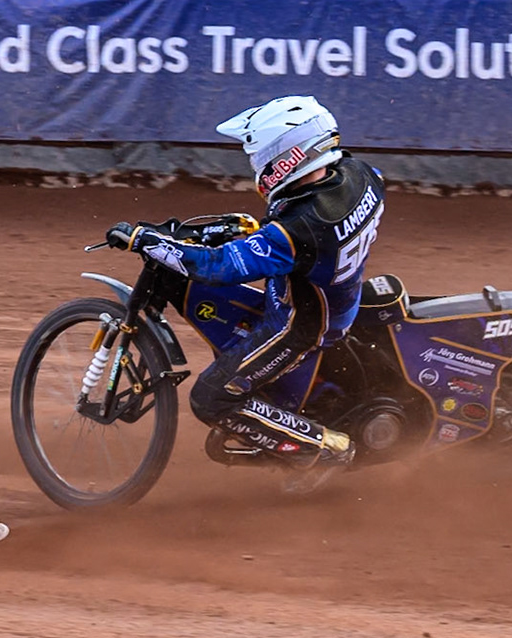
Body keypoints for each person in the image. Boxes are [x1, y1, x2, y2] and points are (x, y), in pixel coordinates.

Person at [108, 95, 385, 478]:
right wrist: (261, 232)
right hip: (332, 295)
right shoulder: (361, 175)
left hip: (296, 326)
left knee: (210, 399)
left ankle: (325, 448)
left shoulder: (300, 229)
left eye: (256, 154)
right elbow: (305, 227)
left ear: (283, 157)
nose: (253, 162)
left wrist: (150, 241)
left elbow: (218, 266)